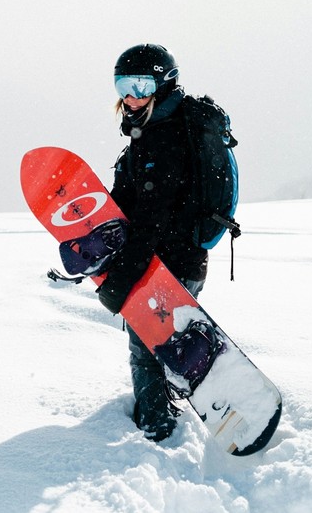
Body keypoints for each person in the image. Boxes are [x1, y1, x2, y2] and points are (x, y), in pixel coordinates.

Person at [96, 44, 209, 442]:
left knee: (146, 349)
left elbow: (151, 221)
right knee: (160, 342)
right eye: (122, 84)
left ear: (163, 85)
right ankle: (167, 404)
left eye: (141, 84)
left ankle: (157, 431)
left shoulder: (165, 139)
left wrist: (122, 278)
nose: (130, 96)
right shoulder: (154, 131)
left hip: (167, 265)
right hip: (178, 262)